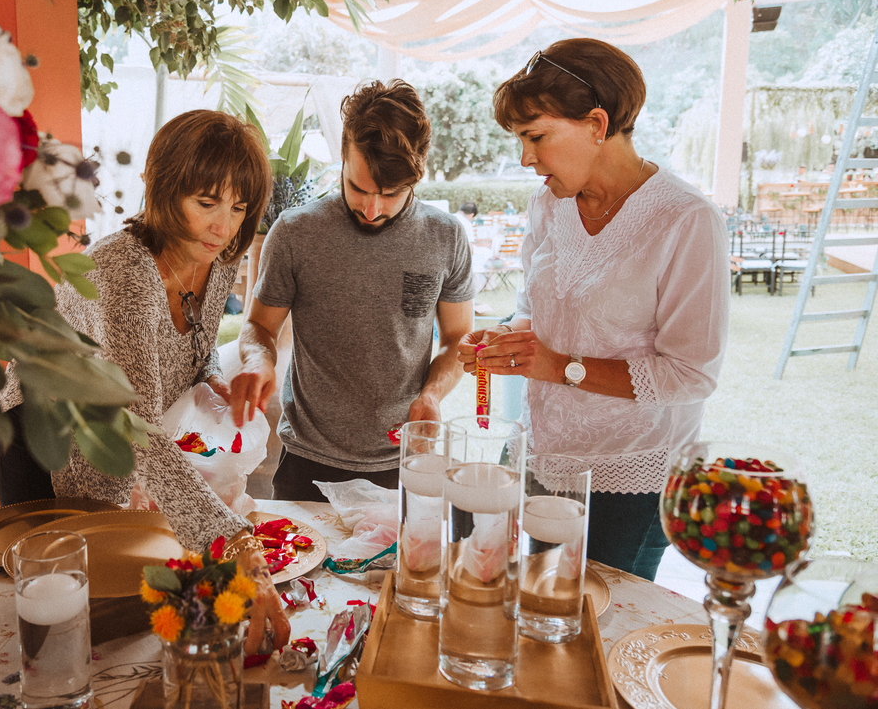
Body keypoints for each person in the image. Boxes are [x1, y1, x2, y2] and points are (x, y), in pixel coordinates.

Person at [0, 110, 287, 653]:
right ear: (165, 190)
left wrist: (215, 379)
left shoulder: (217, 258)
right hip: (43, 439)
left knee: (141, 622)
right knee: (68, 627)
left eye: (238, 207)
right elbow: (143, 436)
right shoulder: (121, 273)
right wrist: (238, 547)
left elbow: (196, 353)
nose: (224, 227)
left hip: (121, 435)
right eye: (206, 203)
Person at [458, 39, 730, 581]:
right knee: (533, 611)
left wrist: (558, 367)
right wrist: (506, 343)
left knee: (600, 636)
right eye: (520, 139)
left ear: (597, 124)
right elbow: (530, 312)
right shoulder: (547, 203)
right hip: (541, 457)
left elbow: (691, 374)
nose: (525, 158)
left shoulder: (687, 221)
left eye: (536, 136)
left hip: (633, 477)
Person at [229, 80, 475, 501]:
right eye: (359, 188)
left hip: (405, 462)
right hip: (306, 463)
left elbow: (457, 339)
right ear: (343, 157)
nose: (372, 208)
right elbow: (259, 326)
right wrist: (258, 359)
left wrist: (432, 395)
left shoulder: (447, 237)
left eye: (390, 194)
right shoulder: (295, 232)